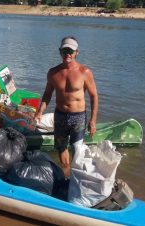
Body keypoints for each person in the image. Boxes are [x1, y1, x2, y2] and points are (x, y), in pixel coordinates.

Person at [35, 36, 98, 177]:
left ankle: (77, 178)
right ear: (60, 52)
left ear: (77, 52)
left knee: (76, 149)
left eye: (71, 50)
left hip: (78, 117)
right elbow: (47, 94)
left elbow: (94, 96)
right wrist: (40, 112)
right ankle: (66, 177)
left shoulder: (85, 72)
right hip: (60, 116)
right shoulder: (53, 73)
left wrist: (93, 120)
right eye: (64, 51)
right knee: (61, 148)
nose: (67, 54)